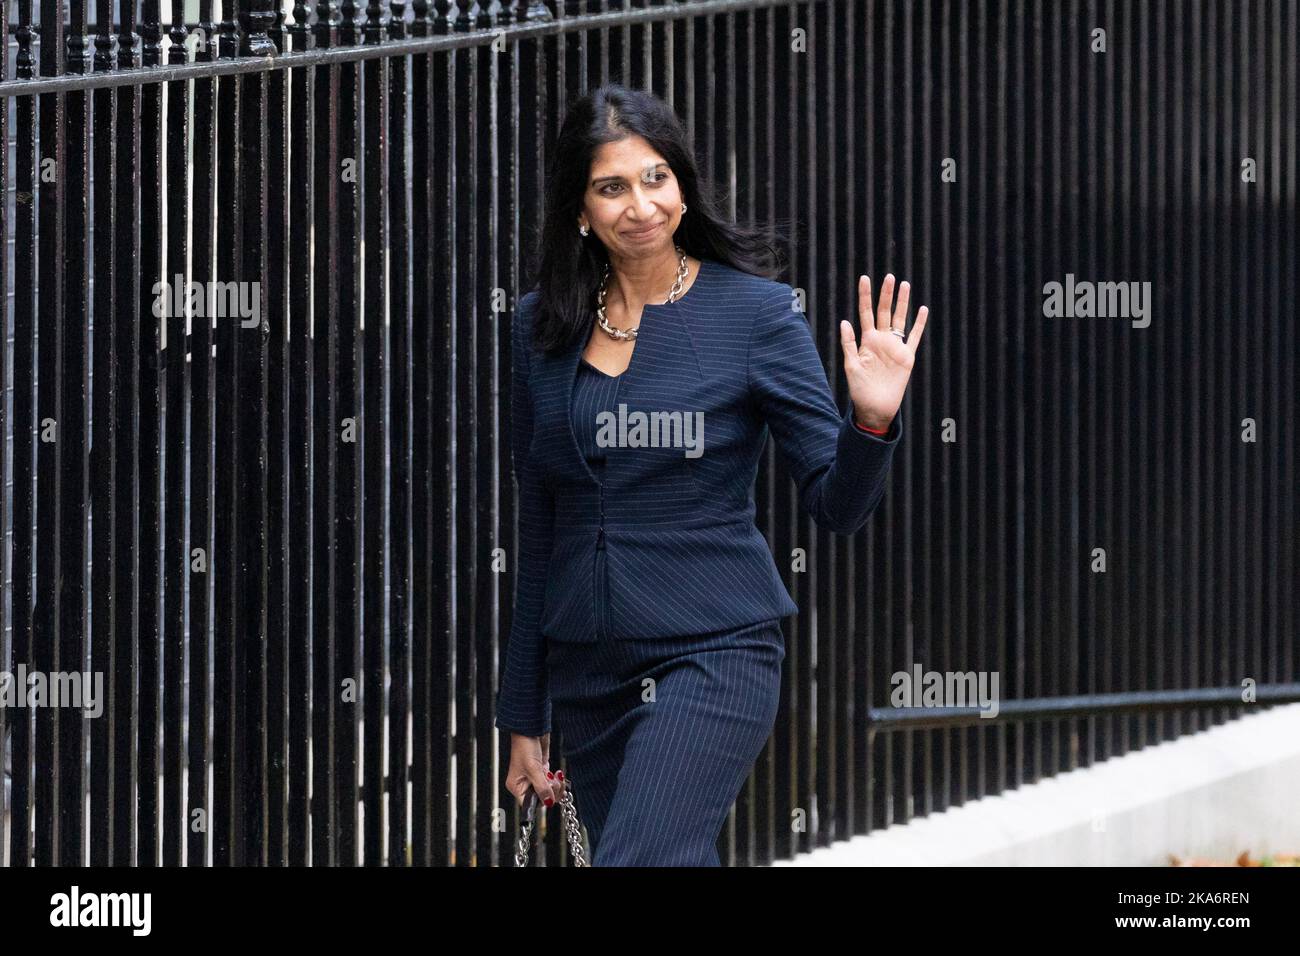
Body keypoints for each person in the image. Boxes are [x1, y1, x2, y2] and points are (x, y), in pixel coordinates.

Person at [497, 83, 929, 866]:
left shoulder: (755, 316)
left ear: (684, 186)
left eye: (657, 177)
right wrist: (523, 711)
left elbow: (836, 505)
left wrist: (870, 420)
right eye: (612, 187)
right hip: (589, 670)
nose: (641, 205)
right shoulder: (540, 325)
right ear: (580, 209)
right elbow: (540, 520)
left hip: (711, 652)